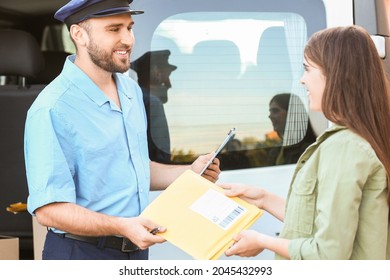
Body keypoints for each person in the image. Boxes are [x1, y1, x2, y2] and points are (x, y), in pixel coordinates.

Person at [24, 0, 220, 260]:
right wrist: (120, 225)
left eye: (130, 27)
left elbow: (133, 169)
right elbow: (48, 210)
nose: (128, 39)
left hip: (135, 251)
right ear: (79, 35)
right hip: (81, 255)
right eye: (114, 29)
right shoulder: (52, 108)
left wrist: (190, 172)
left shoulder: (130, 91)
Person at [220, 25, 390, 259]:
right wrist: (261, 198)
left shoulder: (344, 147)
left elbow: (327, 254)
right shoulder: (357, 139)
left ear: (334, 74)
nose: (302, 80)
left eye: (307, 69)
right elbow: (316, 222)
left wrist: (263, 241)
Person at [131, 50, 177, 163]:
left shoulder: (132, 100)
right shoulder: (152, 104)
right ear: (156, 72)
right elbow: (162, 160)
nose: (169, 84)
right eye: (167, 75)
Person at [266, 93, 317, 165]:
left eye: (275, 111)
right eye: (270, 112)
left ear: (292, 114)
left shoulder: (310, 150)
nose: (270, 116)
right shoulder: (275, 152)